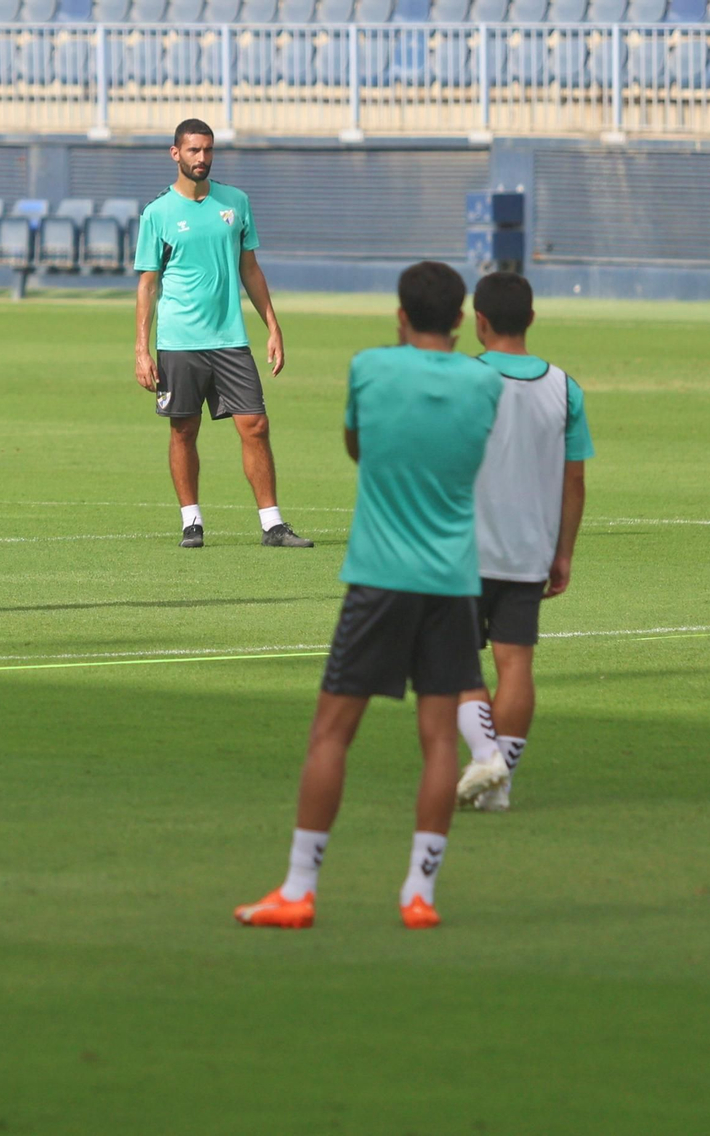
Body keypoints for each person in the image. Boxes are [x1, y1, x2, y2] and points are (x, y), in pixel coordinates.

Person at [234, 262, 502, 931]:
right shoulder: (483, 381)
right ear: (462, 319)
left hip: (381, 577)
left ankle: (299, 889)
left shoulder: (371, 368)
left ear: (400, 316)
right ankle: (419, 894)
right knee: (441, 741)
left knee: (332, 734)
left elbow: (359, 446)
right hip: (451, 580)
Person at [133, 118, 311, 550]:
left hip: (230, 338)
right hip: (178, 342)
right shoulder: (157, 213)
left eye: (208, 150)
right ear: (175, 154)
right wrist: (142, 348)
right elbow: (148, 284)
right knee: (183, 431)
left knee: (256, 425)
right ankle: (190, 520)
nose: (202, 158)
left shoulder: (236, 202)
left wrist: (273, 325)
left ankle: (272, 524)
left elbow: (250, 269)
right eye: (193, 150)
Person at [453, 273, 593, 813]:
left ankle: (486, 756)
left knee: (458, 665)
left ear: (479, 321)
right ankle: (500, 786)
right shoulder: (564, 386)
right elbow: (574, 480)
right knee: (517, 666)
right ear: (531, 318)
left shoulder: (461, 378)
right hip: (530, 550)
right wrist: (563, 552)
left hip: (462, 551)